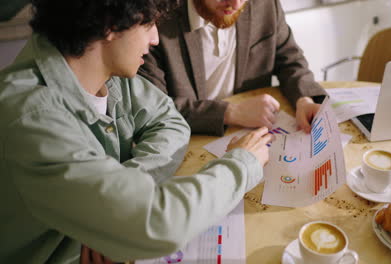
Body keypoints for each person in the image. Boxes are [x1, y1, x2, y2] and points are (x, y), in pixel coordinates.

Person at [0, 0, 273, 263]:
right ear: (109, 25)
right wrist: (242, 164)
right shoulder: (31, 119)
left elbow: (170, 120)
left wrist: (112, 209)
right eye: (148, 24)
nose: (155, 38)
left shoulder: (99, 67)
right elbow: (160, 221)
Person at [138, 0, 328, 136]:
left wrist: (303, 99)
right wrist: (231, 112)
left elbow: (290, 59)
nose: (236, 5)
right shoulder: (155, 18)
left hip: (250, 136)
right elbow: (152, 109)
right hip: (186, 140)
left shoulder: (264, 4)